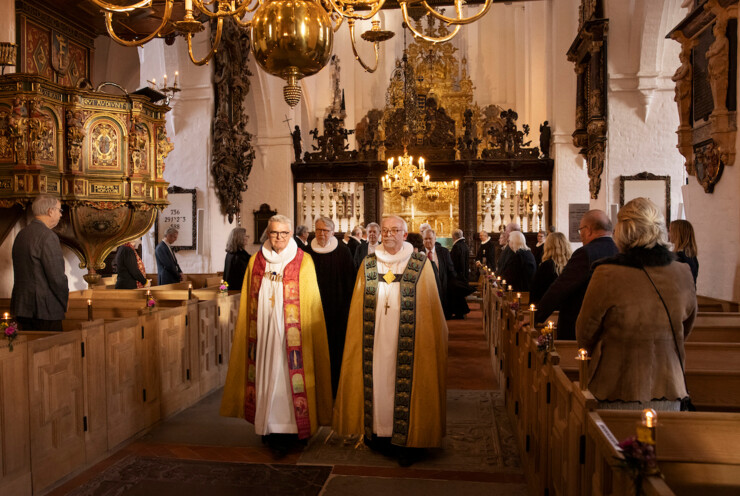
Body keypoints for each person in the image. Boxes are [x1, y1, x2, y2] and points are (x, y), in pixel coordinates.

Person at [333, 215, 448, 467]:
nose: (389, 235)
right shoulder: (369, 263)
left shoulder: (420, 263)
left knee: (404, 383)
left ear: (405, 235)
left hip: (410, 339)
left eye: (395, 230)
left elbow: (431, 308)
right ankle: (379, 434)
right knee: (378, 383)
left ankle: (409, 440)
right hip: (374, 339)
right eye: (385, 230)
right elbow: (357, 303)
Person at [220, 215, 332, 457]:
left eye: (283, 233)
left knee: (290, 379)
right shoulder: (256, 261)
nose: (279, 238)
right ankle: (268, 427)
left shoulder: (304, 261)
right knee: (266, 375)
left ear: (290, 234)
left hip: (295, 338)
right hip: (264, 333)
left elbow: (311, 303)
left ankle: (295, 431)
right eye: (274, 233)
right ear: (267, 234)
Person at [577, 198, 696, 411]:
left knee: (612, 444)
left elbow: (585, 331)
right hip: (669, 384)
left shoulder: (607, 273)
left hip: (616, 386)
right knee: (662, 445)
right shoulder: (682, 272)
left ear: (623, 231)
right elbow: (685, 327)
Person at [535, 210, 618, 340]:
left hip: (581, 326)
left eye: (580, 231)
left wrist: (535, 317)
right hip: (610, 326)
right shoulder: (620, 251)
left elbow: (561, 288)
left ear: (589, 230)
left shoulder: (585, 254)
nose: (580, 236)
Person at [310, 217, 356, 396]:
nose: (322, 234)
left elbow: (350, 282)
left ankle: (336, 389)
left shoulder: (343, 252)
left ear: (332, 232)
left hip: (337, 312)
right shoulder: (306, 251)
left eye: (326, 231)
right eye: (319, 230)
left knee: (335, 350)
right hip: (313, 310)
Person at [11, 195, 69, 331]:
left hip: (22, 308)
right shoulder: (48, 237)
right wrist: (64, 302)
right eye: (59, 211)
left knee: (28, 350)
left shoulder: (21, 234)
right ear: (50, 211)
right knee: (50, 351)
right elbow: (57, 278)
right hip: (45, 310)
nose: (61, 215)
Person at [422, 228, 456, 319]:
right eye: (425, 239)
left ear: (435, 239)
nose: (428, 241)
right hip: (425, 288)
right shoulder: (419, 253)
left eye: (430, 238)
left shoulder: (443, 252)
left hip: (441, 286)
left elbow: (450, 270)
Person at [530, 232, 571, 304]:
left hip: (549, 308)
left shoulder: (546, 266)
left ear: (548, 246)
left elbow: (536, 292)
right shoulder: (572, 264)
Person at [449, 229, 473, 319]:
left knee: (455, 293)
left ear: (453, 237)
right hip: (463, 275)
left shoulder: (457, 247)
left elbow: (453, 262)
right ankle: (460, 312)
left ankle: (460, 313)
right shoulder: (464, 245)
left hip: (458, 276)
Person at [669, 220, 698, 284]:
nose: (669, 234)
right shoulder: (690, 255)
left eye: (670, 231)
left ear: (678, 234)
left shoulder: (679, 257)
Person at [224, 227, 251, 291]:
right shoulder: (238, 256)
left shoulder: (231, 253)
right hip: (236, 291)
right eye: (245, 236)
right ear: (239, 238)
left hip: (232, 289)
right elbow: (244, 275)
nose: (247, 238)